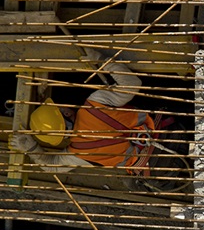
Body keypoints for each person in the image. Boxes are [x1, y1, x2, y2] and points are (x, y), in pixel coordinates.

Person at [9, 48, 190, 192]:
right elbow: (132, 83)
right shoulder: (95, 104)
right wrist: (101, 60)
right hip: (175, 137)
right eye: (59, 108)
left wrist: (31, 148)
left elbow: (51, 167)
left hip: (161, 171)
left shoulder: (79, 153)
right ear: (66, 114)